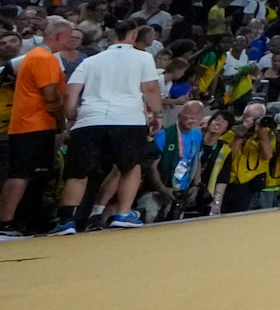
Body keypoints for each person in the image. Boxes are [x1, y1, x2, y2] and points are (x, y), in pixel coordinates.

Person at [62, 19, 165, 230]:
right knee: (130, 167)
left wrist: (71, 116)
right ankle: (123, 214)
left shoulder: (91, 61)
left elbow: (71, 92)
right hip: (127, 119)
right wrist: (158, 114)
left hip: (90, 119)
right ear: (134, 35)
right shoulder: (143, 57)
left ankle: (66, 221)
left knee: (78, 173)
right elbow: (151, 88)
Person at [1, 16, 77, 236]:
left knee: (32, 175)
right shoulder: (45, 58)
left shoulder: (36, 56)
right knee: (21, 174)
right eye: (69, 37)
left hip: (31, 123)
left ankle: (23, 220)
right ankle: (5, 223)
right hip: (33, 124)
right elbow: (50, 95)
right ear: (60, 36)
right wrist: (60, 119)